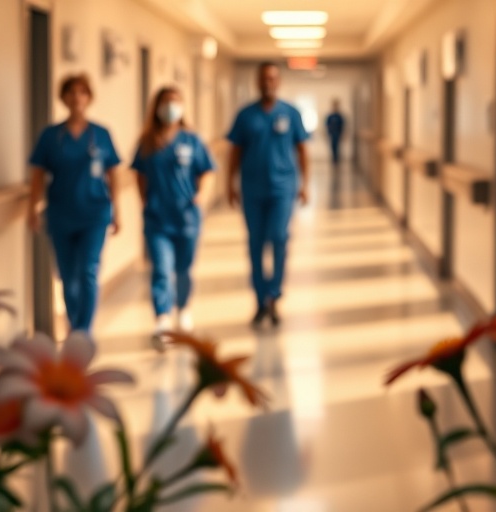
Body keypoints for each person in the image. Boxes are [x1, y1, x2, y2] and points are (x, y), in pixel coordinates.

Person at [27, 74, 121, 334]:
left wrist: (117, 212)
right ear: (63, 98)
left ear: (89, 98)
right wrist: (32, 209)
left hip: (95, 214)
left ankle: (84, 332)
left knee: (89, 271)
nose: (76, 97)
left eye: (82, 92)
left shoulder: (101, 134)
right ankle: (74, 323)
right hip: (60, 214)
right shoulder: (50, 136)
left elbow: (113, 175)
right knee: (68, 277)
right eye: (71, 92)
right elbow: (37, 176)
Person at [227, 61, 310, 328]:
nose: (268, 82)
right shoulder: (245, 115)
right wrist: (230, 183)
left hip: (283, 189)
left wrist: (305, 184)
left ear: (279, 81)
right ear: (257, 81)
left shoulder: (291, 113)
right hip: (252, 189)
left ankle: (274, 295)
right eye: (263, 78)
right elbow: (235, 152)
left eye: (273, 78)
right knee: (255, 244)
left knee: (279, 237)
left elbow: (302, 150)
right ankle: (260, 299)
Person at [132, 86, 215, 340]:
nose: (170, 107)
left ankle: (184, 308)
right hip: (158, 218)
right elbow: (139, 174)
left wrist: (201, 194)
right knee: (160, 267)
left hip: (187, 217)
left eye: (175, 102)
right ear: (156, 108)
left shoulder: (192, 140)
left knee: (184, 269)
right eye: (166, 102)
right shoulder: (147, 142)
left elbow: (207, 171)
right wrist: (145, 200)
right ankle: (162, 319)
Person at [325, 100, 346, 165]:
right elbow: (327, 125)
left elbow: (342, 125)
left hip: (338, 133)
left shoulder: (339, 116)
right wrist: (327, 132)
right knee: (333, 146)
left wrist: (343, 134)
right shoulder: (330, 116)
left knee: (338, 146)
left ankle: (337, 159)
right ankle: (334, 158)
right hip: (332, 134)